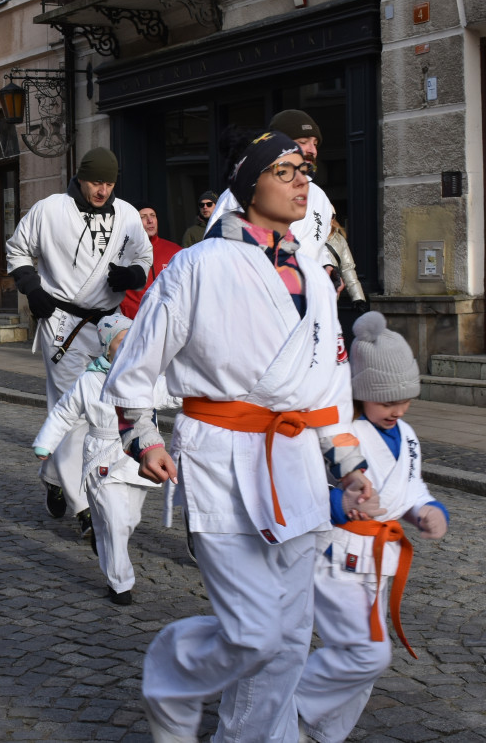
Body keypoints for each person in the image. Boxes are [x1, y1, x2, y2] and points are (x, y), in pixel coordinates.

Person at [101, 130, 373, 742]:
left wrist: (348, 462)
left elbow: (330, 378)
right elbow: (136, 365)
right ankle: (171, 672)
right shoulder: (199, 264)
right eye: (286, 170)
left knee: (291, 633)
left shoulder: (311, 267)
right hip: (222, 455)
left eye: (305, 168)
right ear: (250, 184)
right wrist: (141, 434)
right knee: (254, 629)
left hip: (298, 459)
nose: (303, 179)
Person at [295, 311, 448, 743]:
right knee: (367, 654)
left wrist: (426, 511)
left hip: (380, 562)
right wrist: (342, 503)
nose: (397, 410)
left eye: (405, 400)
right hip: (338, 557)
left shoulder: (408, 433)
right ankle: (286, 705)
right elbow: (305, 489)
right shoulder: (341, 435)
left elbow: (412, 486)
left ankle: (320, 733)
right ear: (361, 395)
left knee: (361, 666)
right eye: (386, 402)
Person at [6, 147, 152, 537]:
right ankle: (85, 506)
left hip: (109, 324)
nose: (102, 190)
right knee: (76, 411)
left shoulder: (126, 215)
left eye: (109, 183)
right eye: (96, 182)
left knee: (109, 407)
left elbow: (144, 255)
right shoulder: (50, 209)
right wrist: (32, 288)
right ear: (80, 178)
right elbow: (17, 249)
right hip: (63, 323)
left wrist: (132, 276)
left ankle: (54, 474)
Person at [33, 315, 180, 605]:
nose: (129, 347)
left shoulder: (145, 379)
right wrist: (45, 442)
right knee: (115, 520)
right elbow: (64, 413)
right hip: (101, 457)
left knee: (128, 520)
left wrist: (208, 392)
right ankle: (120, 583)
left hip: (138, 458)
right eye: (121, 341)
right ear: (107, 347)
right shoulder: (89, 381)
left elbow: (176, 392)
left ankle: (101, 534)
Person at [207, 110, 335, 268]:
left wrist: (327, 265)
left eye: (315, 144)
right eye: (303, 141)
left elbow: (317, 245)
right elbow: (212, 250)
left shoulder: (319, 196)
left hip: (303, 289)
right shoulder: (246, 188)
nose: (312, 150)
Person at [120, 203, 182, 319]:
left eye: (153, 215)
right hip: (134, 324)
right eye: (143, 217)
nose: (150, 220)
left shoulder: (175, 250)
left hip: (168, 322)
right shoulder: (122, 252)